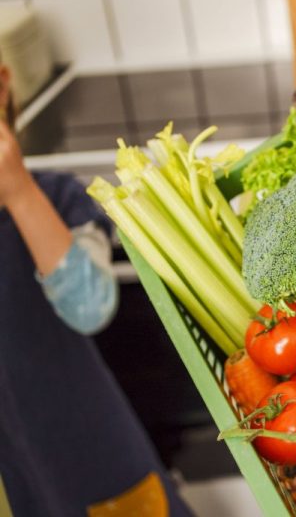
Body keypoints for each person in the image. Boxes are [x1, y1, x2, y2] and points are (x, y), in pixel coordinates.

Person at [0, 66, 192, 516]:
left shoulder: (57, 197)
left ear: (3, 83)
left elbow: (90, 307)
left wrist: (19, 193)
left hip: (92, 455)